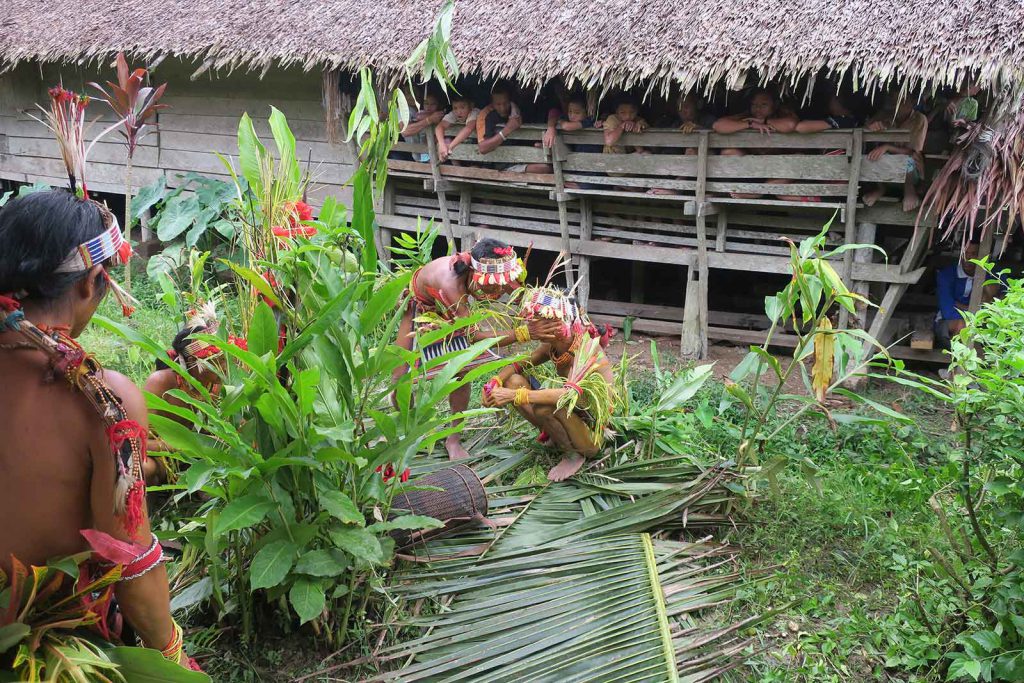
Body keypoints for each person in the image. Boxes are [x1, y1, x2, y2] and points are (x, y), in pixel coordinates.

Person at [0, 190, 197, 669]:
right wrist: (173, 658)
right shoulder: (104, 401)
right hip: (43, 650)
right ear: (91, 283)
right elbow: (130, 560)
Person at [392, 238, 560, 460]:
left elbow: (521, 293)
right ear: (477, 275)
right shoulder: (451, 285)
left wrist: (547, 309)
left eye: (503, 283)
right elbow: (473, 337)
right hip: (420, 309)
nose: (500, 290)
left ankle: (453, 438)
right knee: (400, 379)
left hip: (451, 312)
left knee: (461, 372)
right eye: (493, 285)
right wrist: (524, 333)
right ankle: (410, 430)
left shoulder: (495, 272)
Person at [483, 286, 617, 481]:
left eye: (545, 320)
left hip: (593, 432)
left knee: (545, 407)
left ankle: (574, 454)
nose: (537, 326)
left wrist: (513, 396)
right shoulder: (553, 345)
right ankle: (557, 435)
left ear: (564, 323)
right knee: (512, 381)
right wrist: (495, 382)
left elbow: (567, 395)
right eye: (536, 319)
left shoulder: (586, 349)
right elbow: (518, 365)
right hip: (573, 413)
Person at [143, 305, 238, 484]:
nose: (226, 366)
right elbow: (136, 442)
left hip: (191, 461)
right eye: (218, 360)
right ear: (196, 361)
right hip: (161, 460)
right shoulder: (160, 382)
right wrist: (183, 445)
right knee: (144, 467)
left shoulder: (215, 387)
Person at [713, 88, 800, 199]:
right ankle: (730, 190)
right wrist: (750, 124)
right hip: (753, 170)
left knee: (799, 157)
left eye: (764, 105)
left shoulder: (782, 114)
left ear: (775, 105)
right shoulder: (748, 117)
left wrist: (764, 121)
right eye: (754, 105)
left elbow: (790, 124)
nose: (758, 109)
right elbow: (718, 125)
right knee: (729, 152)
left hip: (779, 170)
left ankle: (758, 191)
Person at [863, 95, 928, 211]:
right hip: (885, 166)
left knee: (909, 160)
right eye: (893, 101)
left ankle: (909, 190)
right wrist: (872, 127)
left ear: (912, 102)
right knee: (873, 157)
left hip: (911, 167)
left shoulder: (920, 119)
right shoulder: (884, 115)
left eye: (901, 101)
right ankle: (880, 188)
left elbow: (913, 151)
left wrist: (887, 147)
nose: (895, 105)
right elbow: (865, 128)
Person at [934, 240, 1003, 347]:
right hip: (947, 322)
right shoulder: (947, 275)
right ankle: (967, 359)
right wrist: (980, 307)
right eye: (965, 253)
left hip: (983, 323)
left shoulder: (994, 275)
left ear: (985, 256)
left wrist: (961, 306)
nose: (968, 258)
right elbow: (948, 312)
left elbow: (1006, 298)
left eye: (974, 254)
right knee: (963, 326)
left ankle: (964, 359)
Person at [476, 83, 525, 170]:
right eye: (498, 104)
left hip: (522, 158)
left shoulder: (518, 111)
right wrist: (508, 129)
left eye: (505, 103)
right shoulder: (489, 117)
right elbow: (483, 148)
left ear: (511, 101)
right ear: (492, 104)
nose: (502, 108)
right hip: (500, 163)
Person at [401, 92, 445, 163]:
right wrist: (430, 119)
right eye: (426, 103)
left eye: (433, 104)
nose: (429, 106)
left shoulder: (440, 114)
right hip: (420, 150)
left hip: (434, 149)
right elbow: (418, 117)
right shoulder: (420, 113)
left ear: (439, 105)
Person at [436, 95, 480, 162]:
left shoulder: (474, 112)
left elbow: (469, 128)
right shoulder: (454, 114)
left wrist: (450, 147)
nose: (459, 112)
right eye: (455, 108)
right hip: (463, 150)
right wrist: (442, 145)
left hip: (477, 152)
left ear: (471, 106)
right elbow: (439, 127)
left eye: (462, 108)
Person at [795, 94, 863, 133]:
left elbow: (801, 127)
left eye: (833, 99)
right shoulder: (850, 119)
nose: (830, 101)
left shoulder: (846, 120)